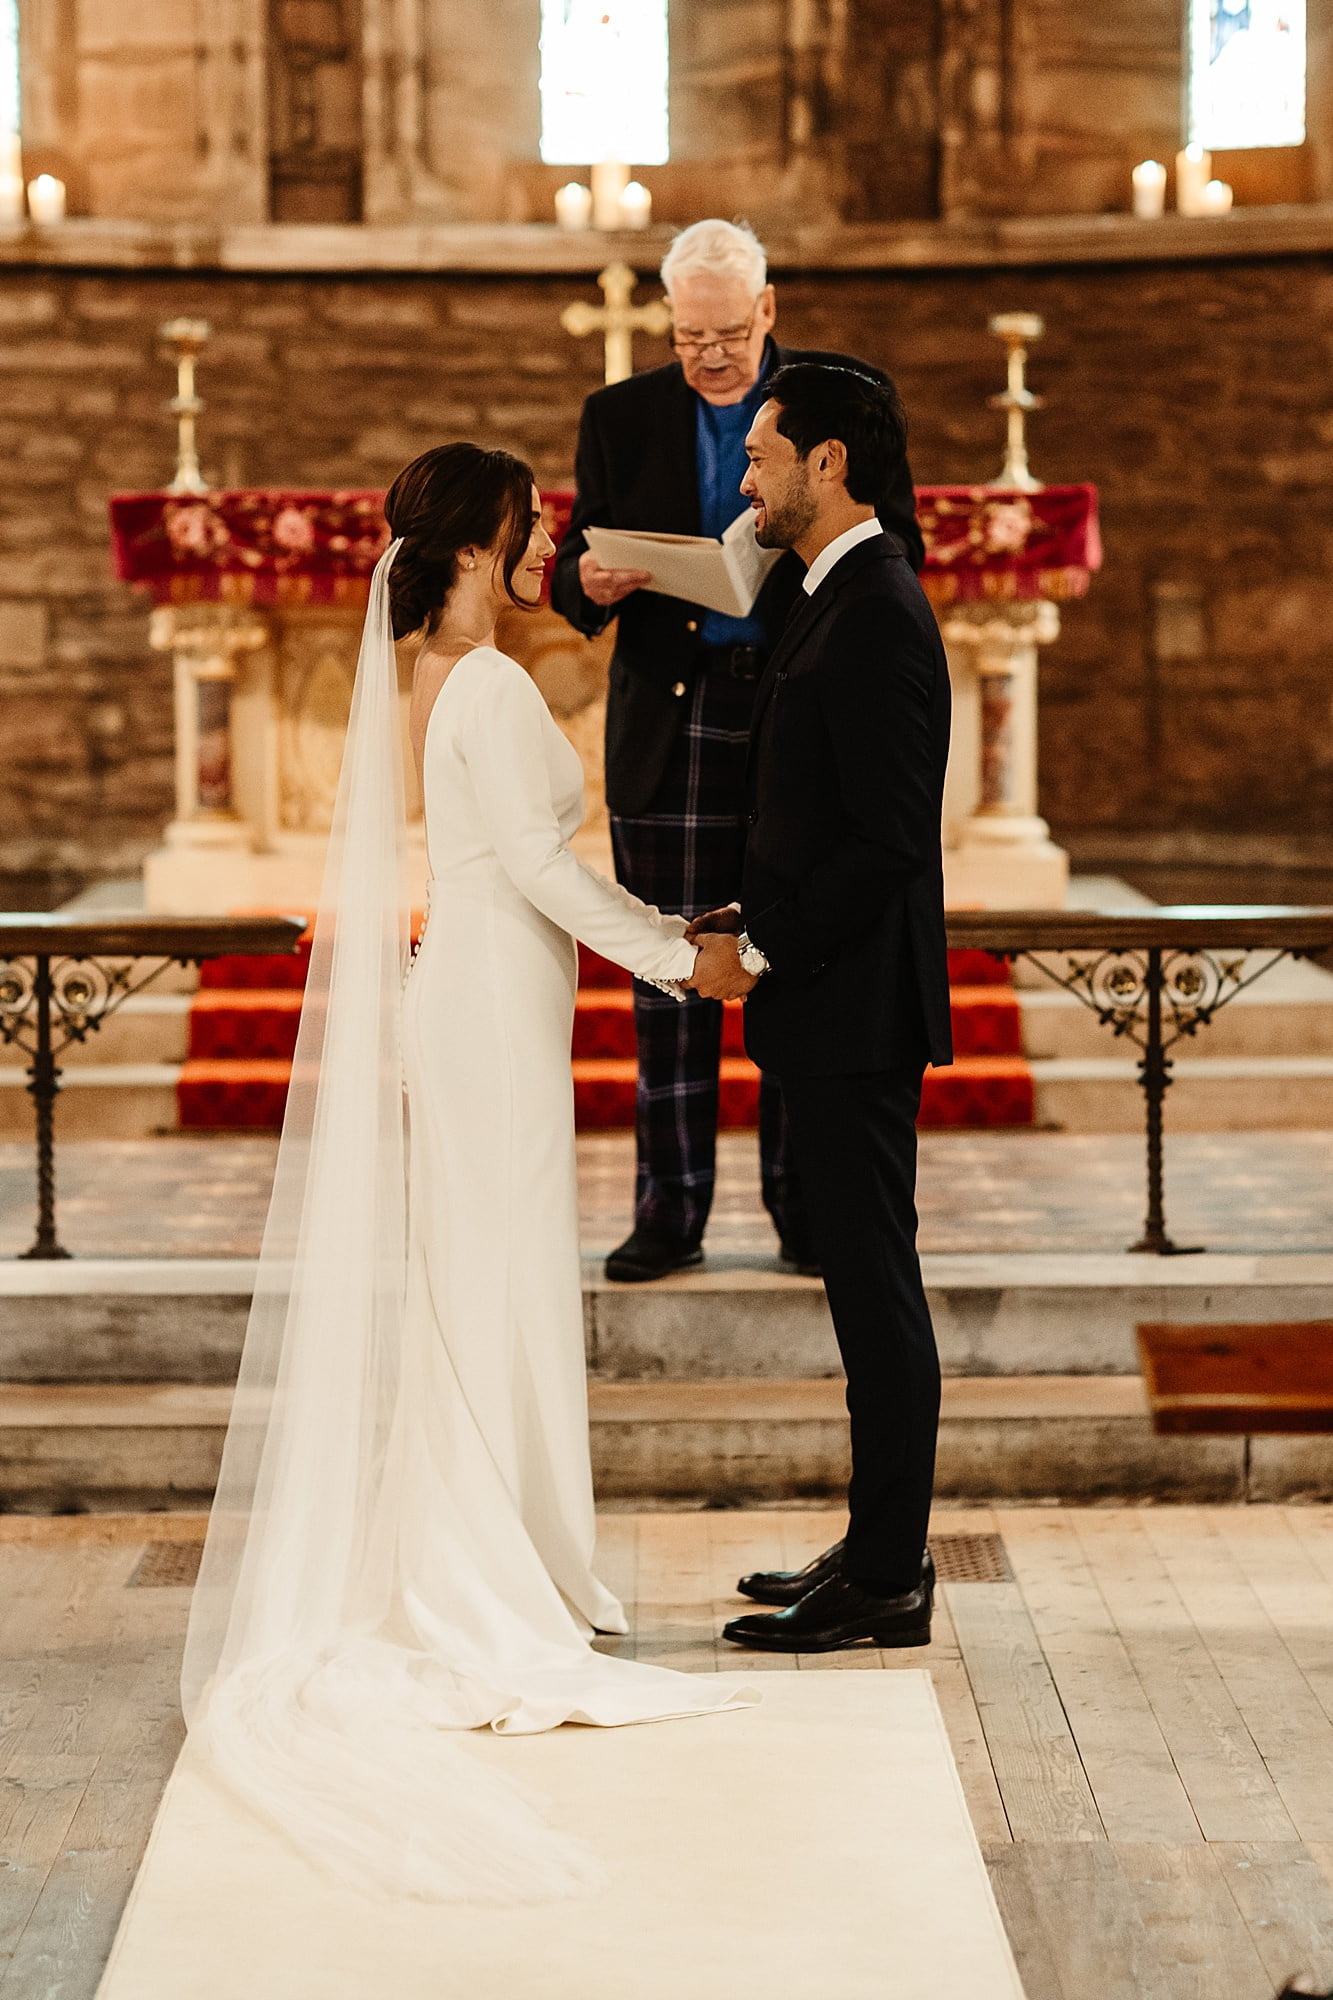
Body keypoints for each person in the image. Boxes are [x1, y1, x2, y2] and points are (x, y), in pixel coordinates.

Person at [180, 444, 752, 1905]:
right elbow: (541, 870)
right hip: (494, 1007)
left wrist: (648, 931)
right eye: (529, 525)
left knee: (484, 1280)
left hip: (493, 997)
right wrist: (677, 955)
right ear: (481, 550)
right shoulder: (486, 685)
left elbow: (523, 868)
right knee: (489, 1280)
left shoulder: (458, 678)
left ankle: (517, 1548)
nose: (546, 538)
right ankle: (494, 1566)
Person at [551, 218, 924, 1284]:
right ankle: (670, 1213)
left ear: (767, 310)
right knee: (672, 963)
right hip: (673, 718)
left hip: (793, 714)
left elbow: (890, 539)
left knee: (793, 954)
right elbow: (577, 564)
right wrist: (595, 581)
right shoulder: (617, 415)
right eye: (688, 338)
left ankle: (802, 1205)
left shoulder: (836, 401)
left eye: (727, 333)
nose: (709, 354)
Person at [685, 364, 952, 1655]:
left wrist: (771, 945)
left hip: (854, 1010)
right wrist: (752, 917)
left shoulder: (881, 609)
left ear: (828, 462)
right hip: (822, 999)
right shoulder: (826, 589)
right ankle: (874, 1541)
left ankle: (890, 1576)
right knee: (857, 1282)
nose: (745, 479)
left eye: (761, 456)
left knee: (875, 1288)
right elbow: (811, 809)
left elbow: (892, 837)